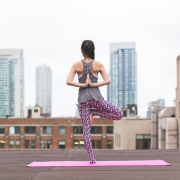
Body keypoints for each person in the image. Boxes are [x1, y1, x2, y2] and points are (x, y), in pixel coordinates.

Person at [66, 40, 123, 164]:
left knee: (86, 131)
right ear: (93, 50)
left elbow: (68, 81)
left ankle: (92, 159)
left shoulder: (76, 65)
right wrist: (93, 84)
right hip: (96, 99)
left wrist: (84, 84)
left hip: (84, 102)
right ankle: (95, 112)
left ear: (82, 50)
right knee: (119, 114)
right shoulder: (98, 65)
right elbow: (108, 80)